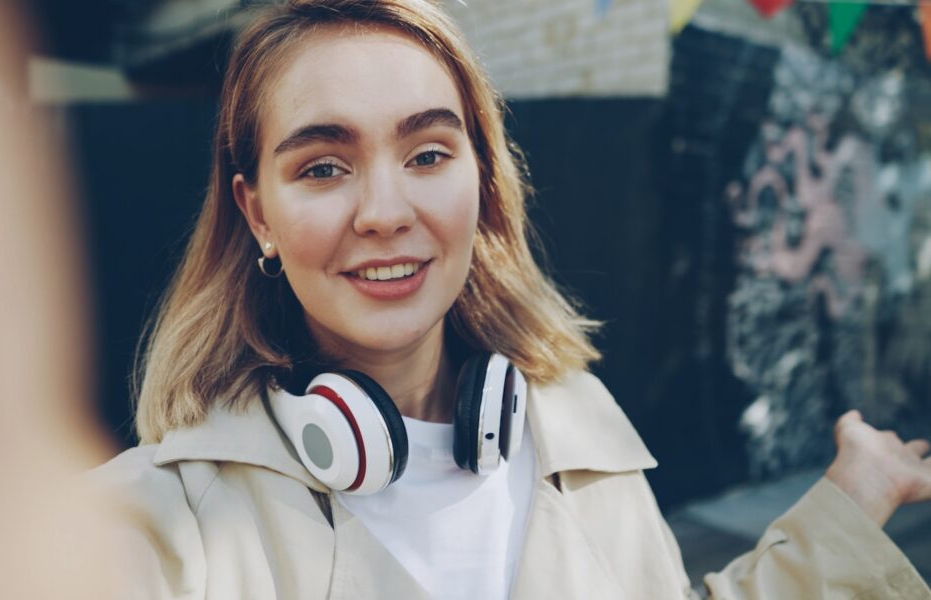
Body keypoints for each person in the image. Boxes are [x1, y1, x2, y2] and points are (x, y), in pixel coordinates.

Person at [93, 0, 931, 597]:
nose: (386, 213)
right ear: (256, 212)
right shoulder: (151, 528)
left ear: (483, 183)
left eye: (427, 154)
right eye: (323, 166)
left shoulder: (574, 433)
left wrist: (850, 506)